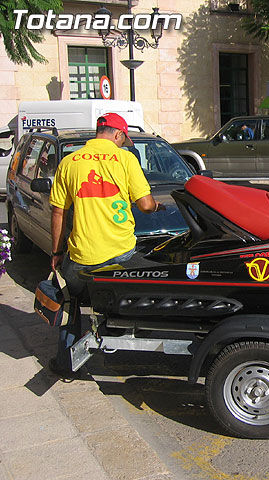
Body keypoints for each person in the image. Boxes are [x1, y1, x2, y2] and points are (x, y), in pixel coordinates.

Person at [48, 113, 165, 377]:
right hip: (120, 254)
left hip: (82, 256)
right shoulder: (125, 159)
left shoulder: (70, 162)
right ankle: (118, 341)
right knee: (125, 292)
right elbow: (146, 206)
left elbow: (58, 212)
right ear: (118, 135)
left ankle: (66, 363)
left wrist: (56, 253)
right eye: (124, 140)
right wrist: (157, 205)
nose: (124, 144)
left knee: (70, 301)